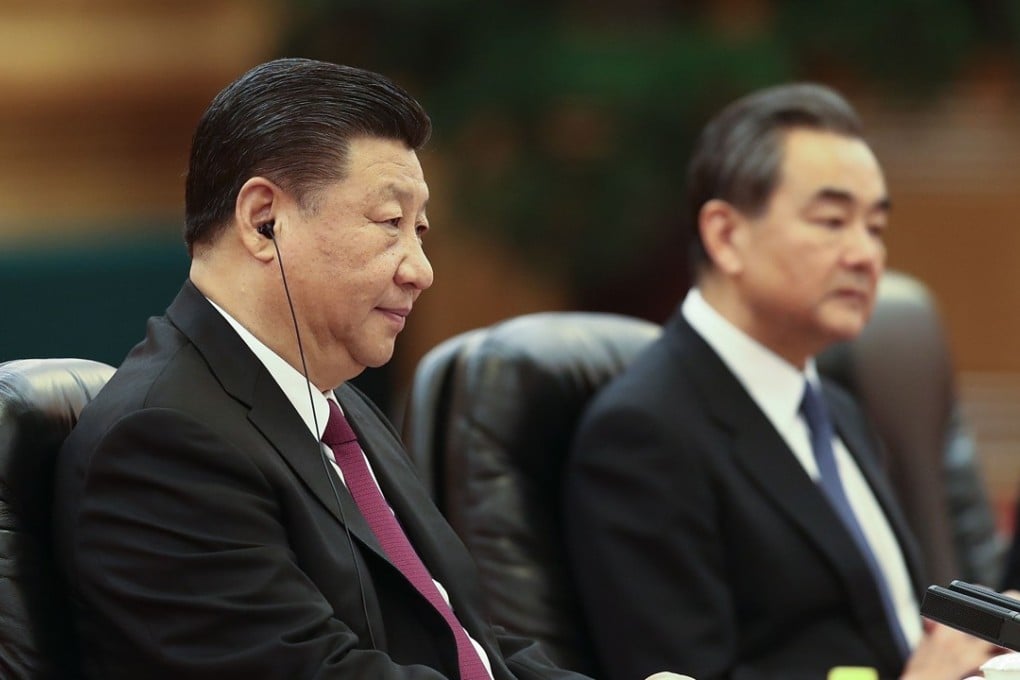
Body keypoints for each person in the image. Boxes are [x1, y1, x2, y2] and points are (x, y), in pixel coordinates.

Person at [52, 58, 592, 680]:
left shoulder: (338, 404)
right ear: (264, 221)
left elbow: (467, 639)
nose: (421, 269)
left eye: (419, 231)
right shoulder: (162, 442)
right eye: (390, 224)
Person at [563, 83, 1004, 680]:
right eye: (832, 221)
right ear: (725, 235)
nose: (865, 255)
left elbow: (886, 628)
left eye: (874, 227)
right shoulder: (641, 432)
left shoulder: (839, 406)